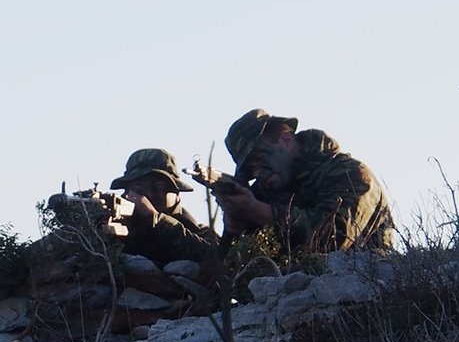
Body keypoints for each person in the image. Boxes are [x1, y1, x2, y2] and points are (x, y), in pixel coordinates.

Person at [216, 109, 395, 253]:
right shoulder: (266, 190)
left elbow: (333, 239)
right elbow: (233, 265)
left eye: (261, 158)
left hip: (364, 288)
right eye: (250, 170)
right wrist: (234, 225)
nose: (258, 172)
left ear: (285, 139)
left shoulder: (350, 173)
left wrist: (259, 211)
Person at [109, 148, 217, 265]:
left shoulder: (202, 234)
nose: (149, 193)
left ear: (176, 193)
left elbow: (216, 259)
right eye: (138, 185)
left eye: (159, 185)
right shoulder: (115, 225)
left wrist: (156, 219)